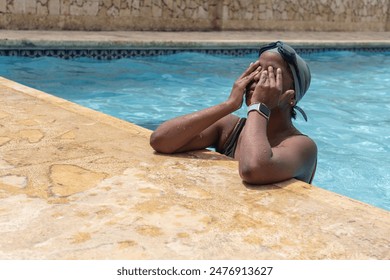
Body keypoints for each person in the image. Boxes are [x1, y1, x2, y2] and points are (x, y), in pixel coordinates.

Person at [150, 41, 317, 185]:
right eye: (256, 69)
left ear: (292, 97)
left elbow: (253, 169)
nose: (257, 78)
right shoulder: (231, 129)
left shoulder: (303, 147)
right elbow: (161, 140)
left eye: (271, 74)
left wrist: (259, 107)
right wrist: (229, 104)